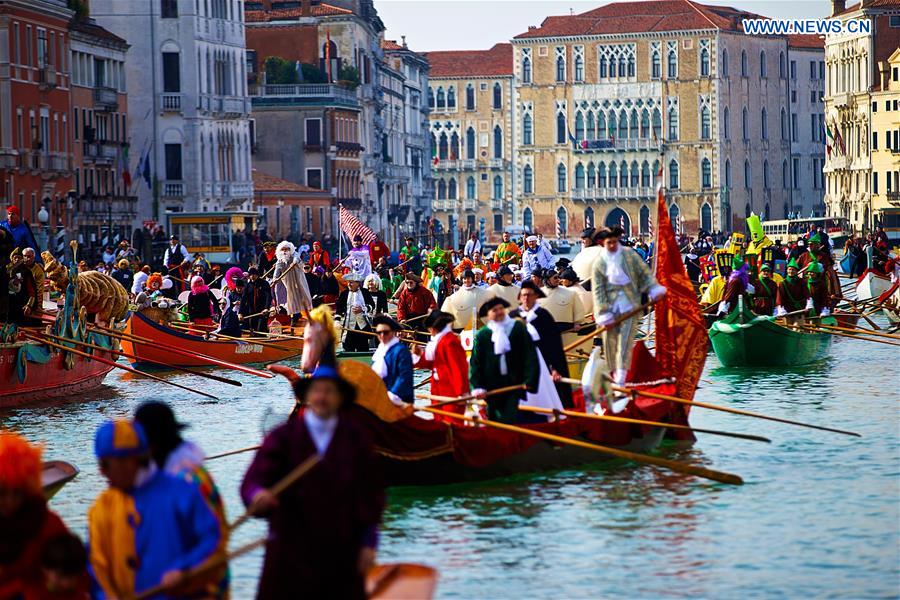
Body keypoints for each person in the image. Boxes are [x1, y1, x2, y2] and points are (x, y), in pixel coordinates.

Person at [241, 366, 384, 599]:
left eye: (329, 391)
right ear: (307, 396)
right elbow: (253, 481)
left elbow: (372, 497)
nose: (322, 397)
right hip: (290, 549)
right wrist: (257, 495)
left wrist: (369, 542)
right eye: (317, 390)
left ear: (340, 397)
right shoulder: (283, 438)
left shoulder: (356, 440)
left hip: (342, 550)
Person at [87, 419, 223, 599]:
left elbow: (213, 542)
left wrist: (184, 568)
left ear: (130, 461)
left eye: (105, 465)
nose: (101, 473)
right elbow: (95, 565)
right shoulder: (101, 508)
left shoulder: (182, 494)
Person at [133, 401, 229, 596]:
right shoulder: (156, 476)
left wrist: (184, 568)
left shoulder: (190, 480)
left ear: (152, 444)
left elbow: (214, 538)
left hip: (198, 583)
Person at [0, 431, 83, 599]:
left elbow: (74, 579)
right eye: (2, 493)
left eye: (17, 492)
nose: (10, 501)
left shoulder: (47, 524)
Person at [591, 227, 666, 394]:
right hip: (609, 310)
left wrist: (653, 289)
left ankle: (621, 379)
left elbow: (644, 275)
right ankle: (612, 375)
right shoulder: (599, 263)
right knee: (610, 344)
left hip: (629, 306)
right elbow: (598, 290)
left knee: (625, 343)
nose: (611, 245)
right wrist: (603, 313)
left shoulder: (629, 255)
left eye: (614, 242)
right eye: (608, 243)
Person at [469, 296, 540, 423]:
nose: (499, 312)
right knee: (494, 418)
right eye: (495, 310)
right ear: (489, 315)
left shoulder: (517, 328)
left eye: (501, 308)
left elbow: (530, 355)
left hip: (514, 383)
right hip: (492, 386)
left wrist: (530, 379)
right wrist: (477, 386)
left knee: (510, 416)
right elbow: (475, 363)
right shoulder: (483, 335)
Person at [510, 281, 570, 411]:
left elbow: (554, 346)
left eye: (530, 295)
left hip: (543, 364)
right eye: (524, 295)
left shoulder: (544, 316)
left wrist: (555, 369)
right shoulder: (512, 316)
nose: (526, 298)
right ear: (520, 297)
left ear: (536, 296)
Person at [411, 310, 470, 421]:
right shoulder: (441, 341)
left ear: (433, 328)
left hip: (451, 393)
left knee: (452, 425)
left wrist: (461, 393)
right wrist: (419, 354)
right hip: (439, 391)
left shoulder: (450, 342)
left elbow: (459, 369)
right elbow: (433, 364)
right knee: (439, 424)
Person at [370, 315, 414, 406]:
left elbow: (404, 377)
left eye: (385, 332)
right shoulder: (380, 350)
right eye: (379, 333)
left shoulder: (401, 351)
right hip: (381, 398)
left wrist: (391, 395)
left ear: (393, 332)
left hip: (399, 400)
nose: (382, 335)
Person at [540, 268, 586, 348]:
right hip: (545, 327)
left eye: (558, 277)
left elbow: (578, 308)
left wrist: (577, 322)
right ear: (547, 279)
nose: (558, 280)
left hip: (565, 327)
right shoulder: (538, 293)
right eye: (555, 278)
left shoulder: (570, 292)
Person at [272, 241, 313, 325]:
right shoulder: (280, 260)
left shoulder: (294, 254)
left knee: (303, 295)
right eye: (283, 249)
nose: (285, 251)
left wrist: (294, 262)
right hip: (288, 281)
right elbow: (277, 270)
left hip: (298, 279)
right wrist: (275, 279)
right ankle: (294, 315)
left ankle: (307, 314)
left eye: (286, 249)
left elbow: (297, 258)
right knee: (291, 298)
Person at [336, 274, 374, 352]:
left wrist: (363, 309)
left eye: (351, 282)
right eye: (348, 282)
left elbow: (372, 305)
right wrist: (337, 321)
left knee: (363, 350)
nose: (349, 284)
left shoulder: (365, 292)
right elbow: (339, 309)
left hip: (362, 327)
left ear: (358, 283)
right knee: (348, 350)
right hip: (348, 327)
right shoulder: (344, 294)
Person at [7, 248, 42, 326]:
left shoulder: (26, 272)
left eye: (19, 258)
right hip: (7, 306)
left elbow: (32, 292)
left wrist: (29, 305)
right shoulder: (6, 271)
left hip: (21, 305)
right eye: (15, 258)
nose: (16, 260)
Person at [240, 267, 273, 333]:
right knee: (253, 331)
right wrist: (240, 313)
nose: (252, 276)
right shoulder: (248, 286)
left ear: (257, 275)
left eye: (254, 274)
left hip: (262, 312)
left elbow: (268, 296)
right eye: (251, 275)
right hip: (252, 313)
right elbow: (243, 300)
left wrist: (266, 308)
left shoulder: (264, 283)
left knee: (260, 330)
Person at [21, 247, 45, 319]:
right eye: (24, 256)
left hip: (33, 302)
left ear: (33, 257)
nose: (26, 258)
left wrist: (38, 306)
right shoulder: (20, 268)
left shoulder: (38, 270)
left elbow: (39, 289)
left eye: (29, 256)